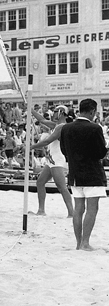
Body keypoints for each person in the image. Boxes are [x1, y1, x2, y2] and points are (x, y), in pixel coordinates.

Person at [59, 99, 108, 251]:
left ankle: (78, 242)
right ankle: (85, 242)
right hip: (92, 173)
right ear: (92, 111)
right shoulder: (95, 128)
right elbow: (100, 153)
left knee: (78, 208)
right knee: (92, 208)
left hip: (75, 172)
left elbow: (64, 150)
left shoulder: (66, 128)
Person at [30, 105, 75, 217]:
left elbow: (47, 141)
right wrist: (31, 110)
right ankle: (41, 210)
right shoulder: (57, 125)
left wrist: (31, 147)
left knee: (61, 187)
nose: (52, 113)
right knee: (40, 182)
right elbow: (41, 120)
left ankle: (71, 212)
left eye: (55, 111)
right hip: (52, 160)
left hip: (58, 160)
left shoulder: (62, 127)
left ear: (61, 113)